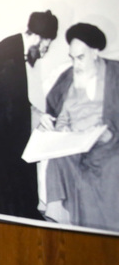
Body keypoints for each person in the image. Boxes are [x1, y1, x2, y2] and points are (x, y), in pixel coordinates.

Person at [0, 10, 58, 219]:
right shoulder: (10, 58)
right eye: (46, 47)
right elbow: (9, 109)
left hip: (2, 139)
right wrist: (37, 119)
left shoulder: (12, 48)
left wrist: (38, 114)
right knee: (11, 198)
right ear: (37, 37)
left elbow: (15, 100)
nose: (43, 53)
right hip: (2, 144)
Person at [39, 22, 119, 231]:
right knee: (57, 161)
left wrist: (109, 133)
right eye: (72, 58)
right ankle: (71, 227)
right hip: (75, 145)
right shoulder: (68, 77)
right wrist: (62, 129)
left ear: (95, 52)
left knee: (114, 165)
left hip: (110, 143)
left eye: (81, 57)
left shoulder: (115, 74)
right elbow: (59, 113)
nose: (76, 65)